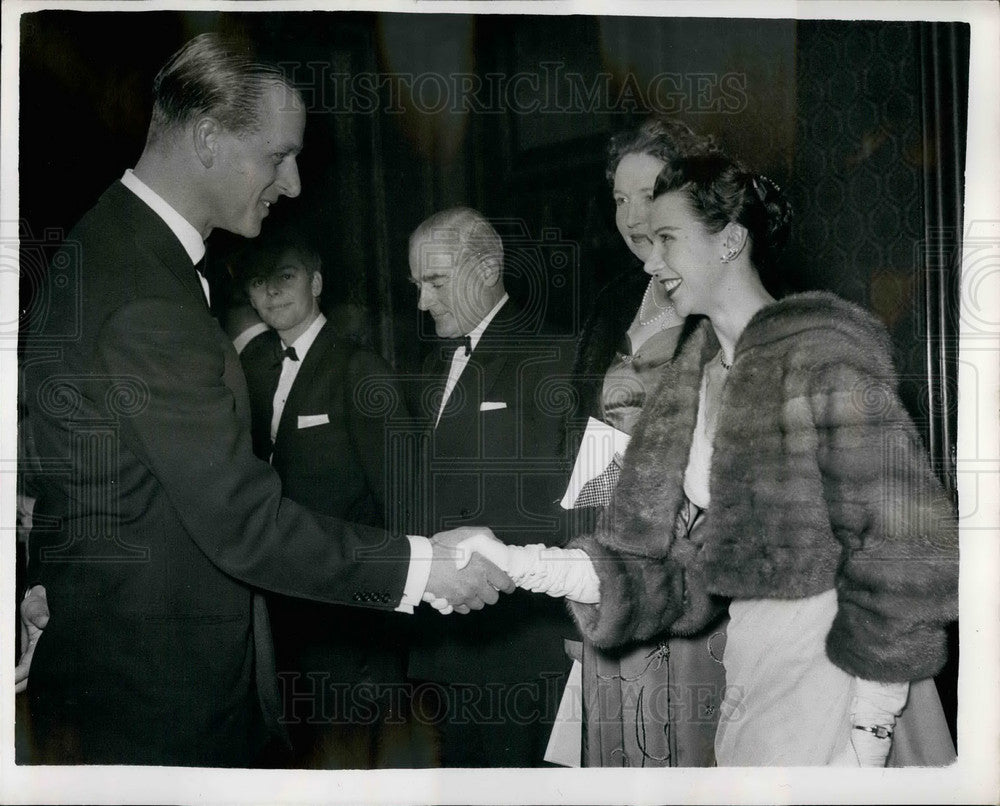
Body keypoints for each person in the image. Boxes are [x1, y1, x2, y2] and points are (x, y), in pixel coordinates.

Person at [18, 33, 510, 767]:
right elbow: (243, 524)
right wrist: (424, 568)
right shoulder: (146, 293)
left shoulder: (112, 248)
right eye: (279, 155)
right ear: (209, 138)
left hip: (121, 676)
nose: (295, 184)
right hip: (160, 706)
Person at [458, 151, 959, 766]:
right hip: (751, 670)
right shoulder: (689, 382)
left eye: (668, 238)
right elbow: (658, 570)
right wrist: (518, 563)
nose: (650, 259)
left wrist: (873, 726)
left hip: (841, 670)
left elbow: (904, 545)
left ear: (730, 242)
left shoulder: (824, 360)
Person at [564, 117, 727, 767]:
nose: (631, 215)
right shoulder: (609, 303)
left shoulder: (722, 297)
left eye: (647, 193)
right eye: (619, 198)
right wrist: (576, 584)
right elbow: (586, 444)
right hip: (613, 547)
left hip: (694, 566)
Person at [237, 228, 417, 768]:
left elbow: (401, 498)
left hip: (348, 605)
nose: (271, 293)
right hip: (277, 596)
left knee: (348, 751)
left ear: (315, 282)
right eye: (258, 282)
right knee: (293, 745)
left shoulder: (358, 368)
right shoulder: (249, 366)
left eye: (285, 277)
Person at [406, 207, 576, 767]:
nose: (422, 303)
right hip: (451, 641)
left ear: (486, 268)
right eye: (417, 286)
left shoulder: (556, 357)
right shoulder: (431, 369)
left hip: (524, 643)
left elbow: (578, 504)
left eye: (434, 282)